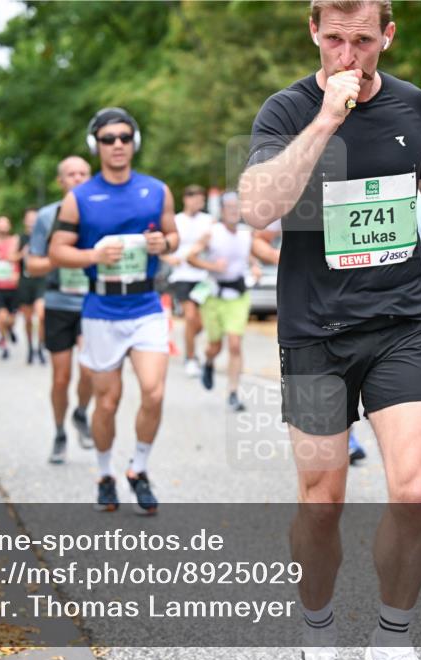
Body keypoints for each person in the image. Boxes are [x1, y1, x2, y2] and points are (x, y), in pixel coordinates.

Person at [238, 2, 421, 660]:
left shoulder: (412, 106)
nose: (347, 54)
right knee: (321, 503)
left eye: (362, 40)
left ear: (386, 37)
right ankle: (317, 626)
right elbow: (258, 205)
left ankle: (392, 636)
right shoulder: (285, 112)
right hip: (312, 336)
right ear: (313, 32)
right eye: (334, 38)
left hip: (401, 325)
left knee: (416, 491)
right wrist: (327, 117)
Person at [50, 107, 179, 515]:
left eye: (124, 137)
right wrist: (92, 253)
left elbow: (173, 234)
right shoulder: (79, 199)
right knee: (107, 403)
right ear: (96, 146)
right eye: (109, 139)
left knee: (154, 392)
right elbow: (56, 251)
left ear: (134, 142)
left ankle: (138, 468)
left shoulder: (156, 190)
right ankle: (105, 473)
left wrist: (165, 245)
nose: (118, 144)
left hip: (145, 305)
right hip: (102, 309)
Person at [26, 156, 95, 463]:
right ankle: (59, 432)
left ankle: (80, 413)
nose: (78, 178)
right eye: (71, 174)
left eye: (83, 173)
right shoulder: (46, 216)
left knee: (92, 369)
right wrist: (63, 256)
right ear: (61, 181)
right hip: (58, 303)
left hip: (93, 302)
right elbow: (32, 265)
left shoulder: (101, 212)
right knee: (61, 377)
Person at [186, 191, 272, 411]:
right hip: (214, 296)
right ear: (223, 211)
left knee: (235, 344)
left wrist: (254, 265)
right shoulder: (211, 233)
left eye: (237, 208)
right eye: (230, 208)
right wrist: (213, 267)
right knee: (215, 346)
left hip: (238, 296)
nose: (234, 212)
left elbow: (249, 254)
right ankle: (208, 362)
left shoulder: (246, 234)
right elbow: (191, 257)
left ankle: (233, 393)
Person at [163, 184, 214, 377]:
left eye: (201, 200)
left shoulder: (209, 221)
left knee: (200, 323)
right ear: (186, 199)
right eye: (195, 199)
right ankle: (190, 358)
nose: (198, 203)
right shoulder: (176, 220)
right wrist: (171, 259)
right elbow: (163, 250)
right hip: (182, 275)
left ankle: (192, 346)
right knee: (190, 317)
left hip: (203, 277)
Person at [17, 207, 48, 365]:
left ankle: (41, 347)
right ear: (25, 221)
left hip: (41, 280)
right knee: (28, 319)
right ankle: (30, 347)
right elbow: (10, 257)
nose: (32, 221)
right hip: (25, 281)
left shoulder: (45, 237)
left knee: (41, 315)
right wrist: (21, 254)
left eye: (34, 218)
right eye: (29, 218)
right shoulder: (20, 238)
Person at [0, 216, 22, 360]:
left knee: (11, 319)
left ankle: (10, 329)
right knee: (1, 316)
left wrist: (15, 258)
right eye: (0, 224)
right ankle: (4, 345)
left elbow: (23, 255)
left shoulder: (15, 240)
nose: (2, 227)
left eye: (5, 224)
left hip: (13, 285)